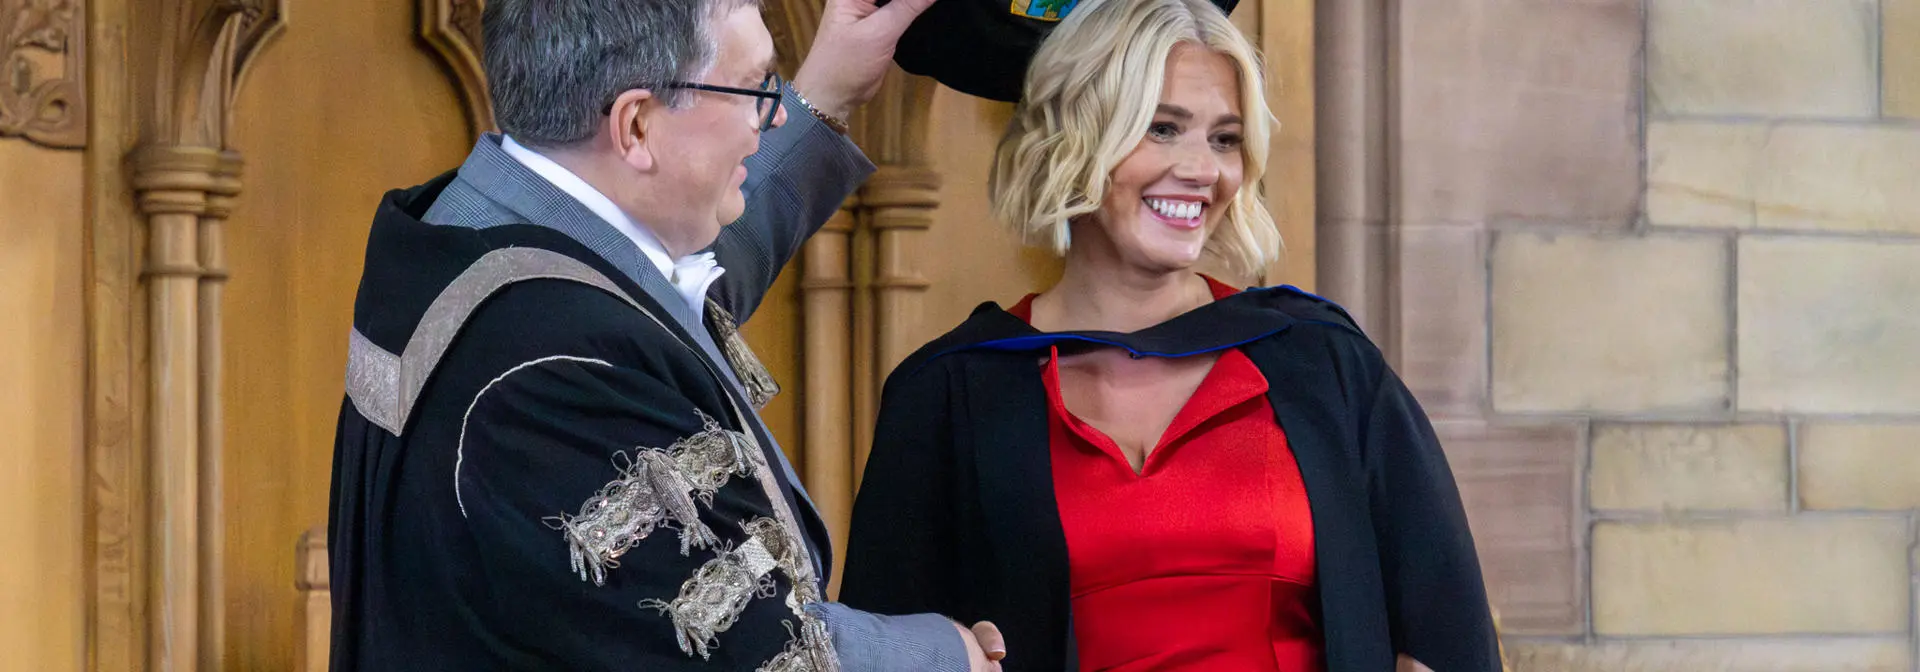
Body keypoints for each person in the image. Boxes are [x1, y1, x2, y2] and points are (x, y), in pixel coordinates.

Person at [328, 0, 1006, 668]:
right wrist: (948, 656)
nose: (764, 121)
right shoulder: (548, 369)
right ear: (637, 125)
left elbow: (665, 288)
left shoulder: (476, 233)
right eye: (751, 89)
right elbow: (737, 645)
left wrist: (827, 90)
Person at [838, 0, 1502, 669]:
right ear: (1074, 136)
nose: (1202, 170)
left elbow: (1449, 633)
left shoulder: (1321, 363)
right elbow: (884, 647)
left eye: (1225, 139)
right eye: (1162, 129)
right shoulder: (949, 393)